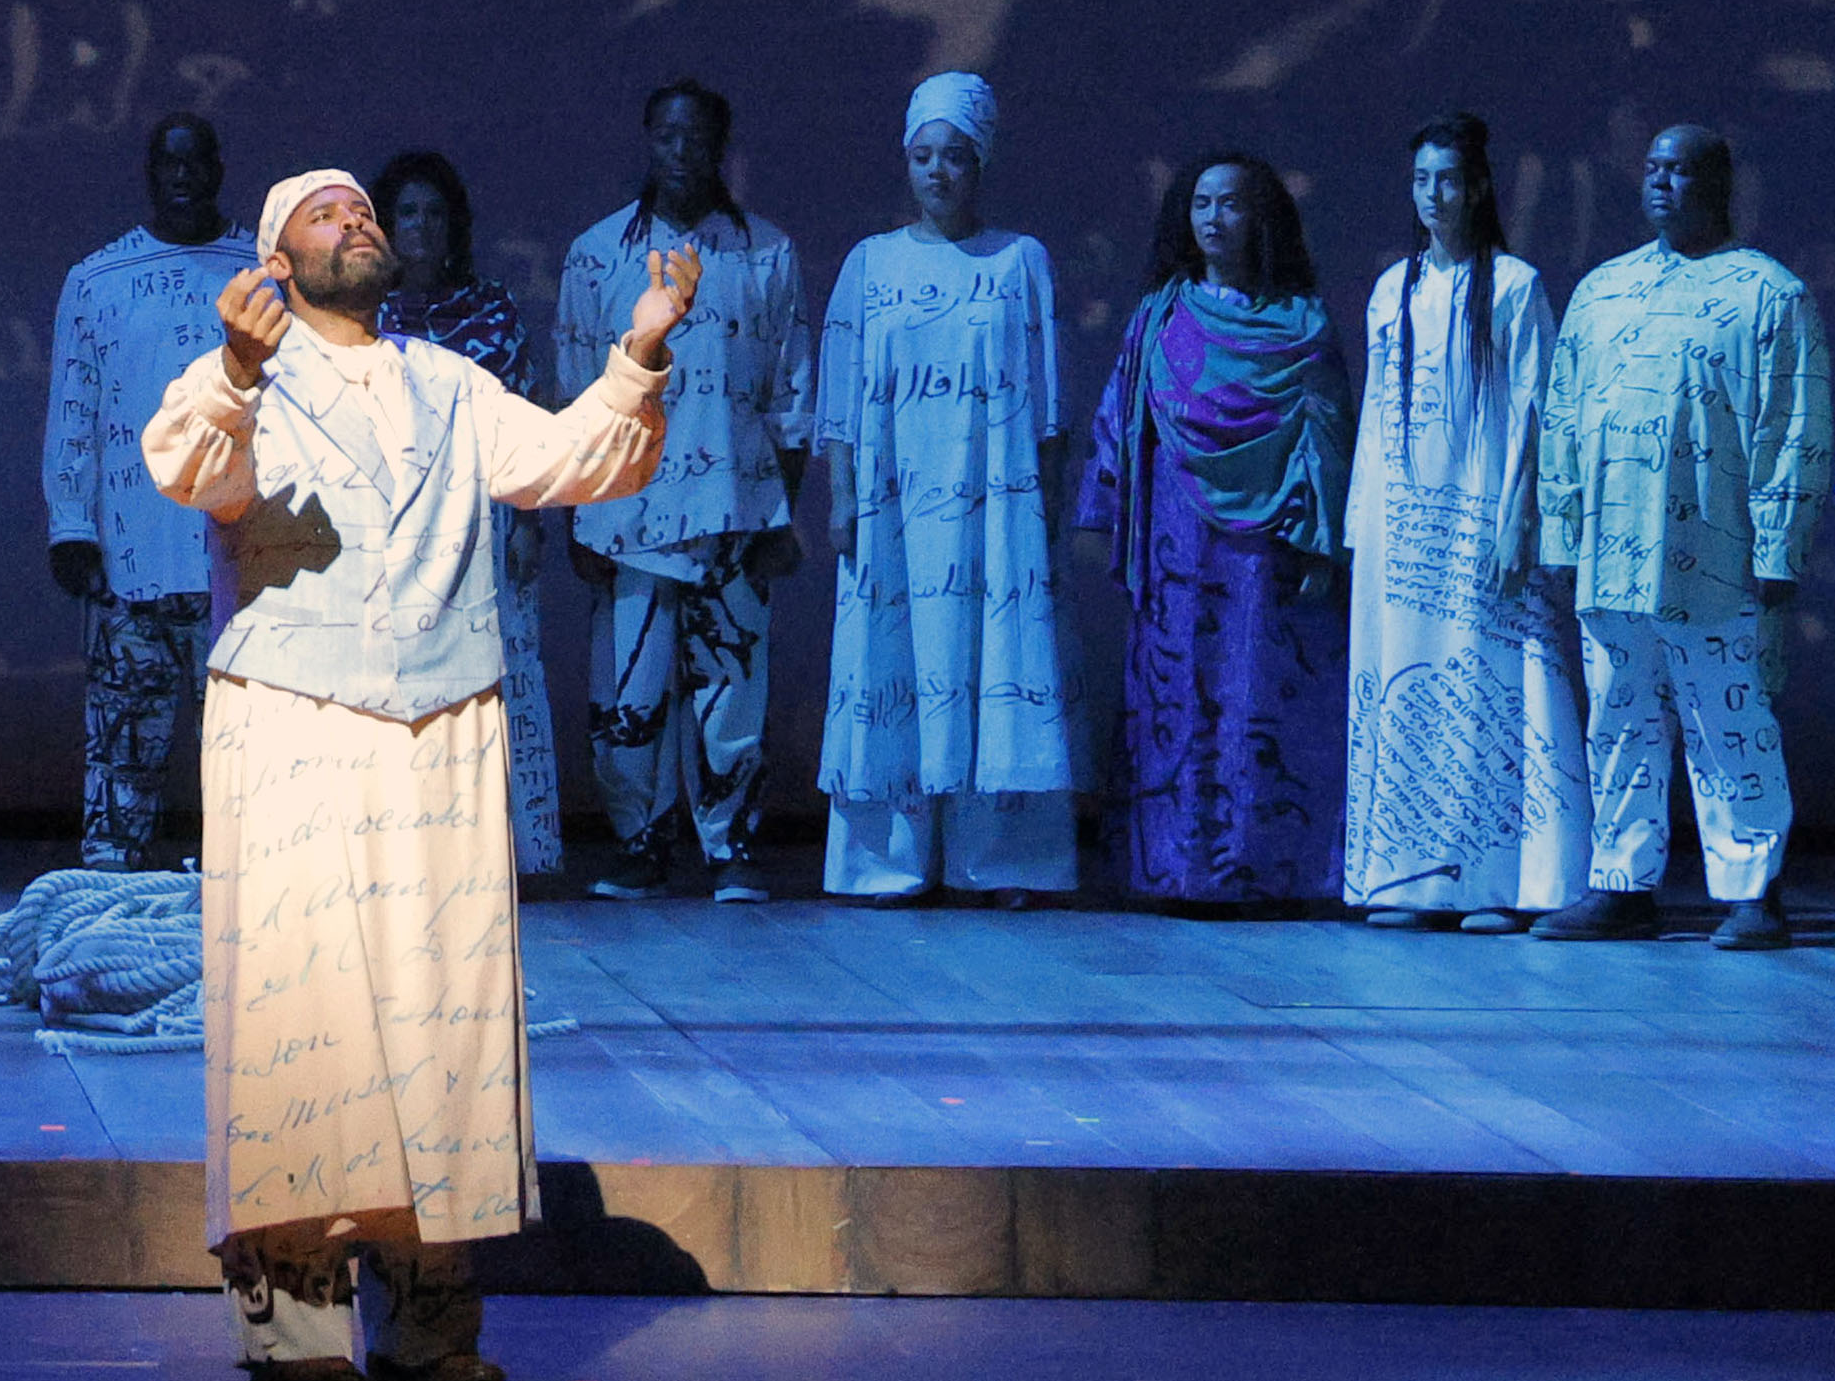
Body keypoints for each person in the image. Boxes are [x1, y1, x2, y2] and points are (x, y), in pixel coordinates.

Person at [142, 166, 692, 1381]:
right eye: (329, 213)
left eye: (366, 211)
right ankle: (293, 1314)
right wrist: (234, 367)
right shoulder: (245, 376)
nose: (361, 222)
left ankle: (430, 1316)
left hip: (440, 725)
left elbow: (572, 458)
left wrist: (639, 355)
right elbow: (187, 469)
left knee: (440, 1019)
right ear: (279, 255)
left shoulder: (450, 382)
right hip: (295, 721)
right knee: (305, 1017)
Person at [1524, 120, 1820, 946]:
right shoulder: (1602, 289)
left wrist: (1779, 553)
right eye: (1653, 168)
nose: (1662, 183)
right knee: (1619, 718)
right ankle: (1621, 880)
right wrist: (1561, 536)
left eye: (1682, 170)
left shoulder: (1770, 293)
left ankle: (1752, 887)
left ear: (1720, 183)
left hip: (1719, 560)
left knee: (1730, 720)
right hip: (1612, 558)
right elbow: (1566, 420)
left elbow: (1792, 428)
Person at [807, 70, 1076, 902]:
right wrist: (843, 499)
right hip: (894, 506)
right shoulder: (870, 263)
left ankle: (999, 861)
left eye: (954, 155)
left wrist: (1048, 514)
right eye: (922, 155)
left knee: (994, 663)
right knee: (891, 664)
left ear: (980, 162)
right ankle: (886, 860)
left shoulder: (1019, 262)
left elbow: (1051, 404)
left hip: (993, 506)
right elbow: (842, 401)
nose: (937, 171)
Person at [1076, 152, 1347, 913]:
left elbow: (1328, 441)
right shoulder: (1162, 314)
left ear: (1262, 217)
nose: (1213, 217)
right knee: (1177, 698)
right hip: (1178, 544)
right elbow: (1118, 426)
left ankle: (1266, 870)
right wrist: (1099, 519)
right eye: (1201, 202)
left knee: (1260, 694)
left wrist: (1322, 542)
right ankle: (1174, 870)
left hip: (1268, 557)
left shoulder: (1303, 322)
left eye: (1231, 203)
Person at [552, 85, 802, 899]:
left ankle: (730, 847)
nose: (683, 151)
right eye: (668, 135)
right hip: (628, 511)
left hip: (735, 504)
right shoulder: (598, 253)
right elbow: (574, 392)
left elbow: (791, 393)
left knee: (731, 691)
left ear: (721, 145)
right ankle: (639, 844)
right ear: (649, 140)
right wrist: (573, 519)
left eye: (698, 137)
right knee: (628, 690)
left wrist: (780, 511)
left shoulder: (768, 254)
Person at [1343, 111, 1579, 930]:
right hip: (1403, 521)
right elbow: (1377, 413)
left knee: (1488, 690)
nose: (1433, 195)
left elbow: (1535, 408)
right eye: (1421, 180)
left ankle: (1496, 882)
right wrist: (1362, 522)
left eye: (1447, 178)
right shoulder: (1391, 287)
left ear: (1478, 185)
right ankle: (1410, 879)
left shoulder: (1514, 285)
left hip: (1482, 516)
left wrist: (1520, 518)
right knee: (1409, 685)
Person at [43, 110, 244, 871]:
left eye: (198, 161)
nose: (185, 176)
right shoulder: (96, 280)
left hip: (233, 567)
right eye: (170, 163)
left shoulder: (258, 270)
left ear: (219, 168)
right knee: (122, 755)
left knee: (240, 756)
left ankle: (247, 906)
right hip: (131, 564)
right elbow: (74, 408)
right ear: (151, 173)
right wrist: (70, 526)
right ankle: (106, 898)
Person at [374, 155, 574, 879]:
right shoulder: (362, 314)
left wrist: (529, 521)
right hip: (394, 531)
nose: (420, 226)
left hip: (487, 525)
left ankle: (519, 853)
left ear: (453, 225)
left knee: (503, 682)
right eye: (406, 213)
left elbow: (527, 419)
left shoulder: (492, 308)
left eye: (433, 212)